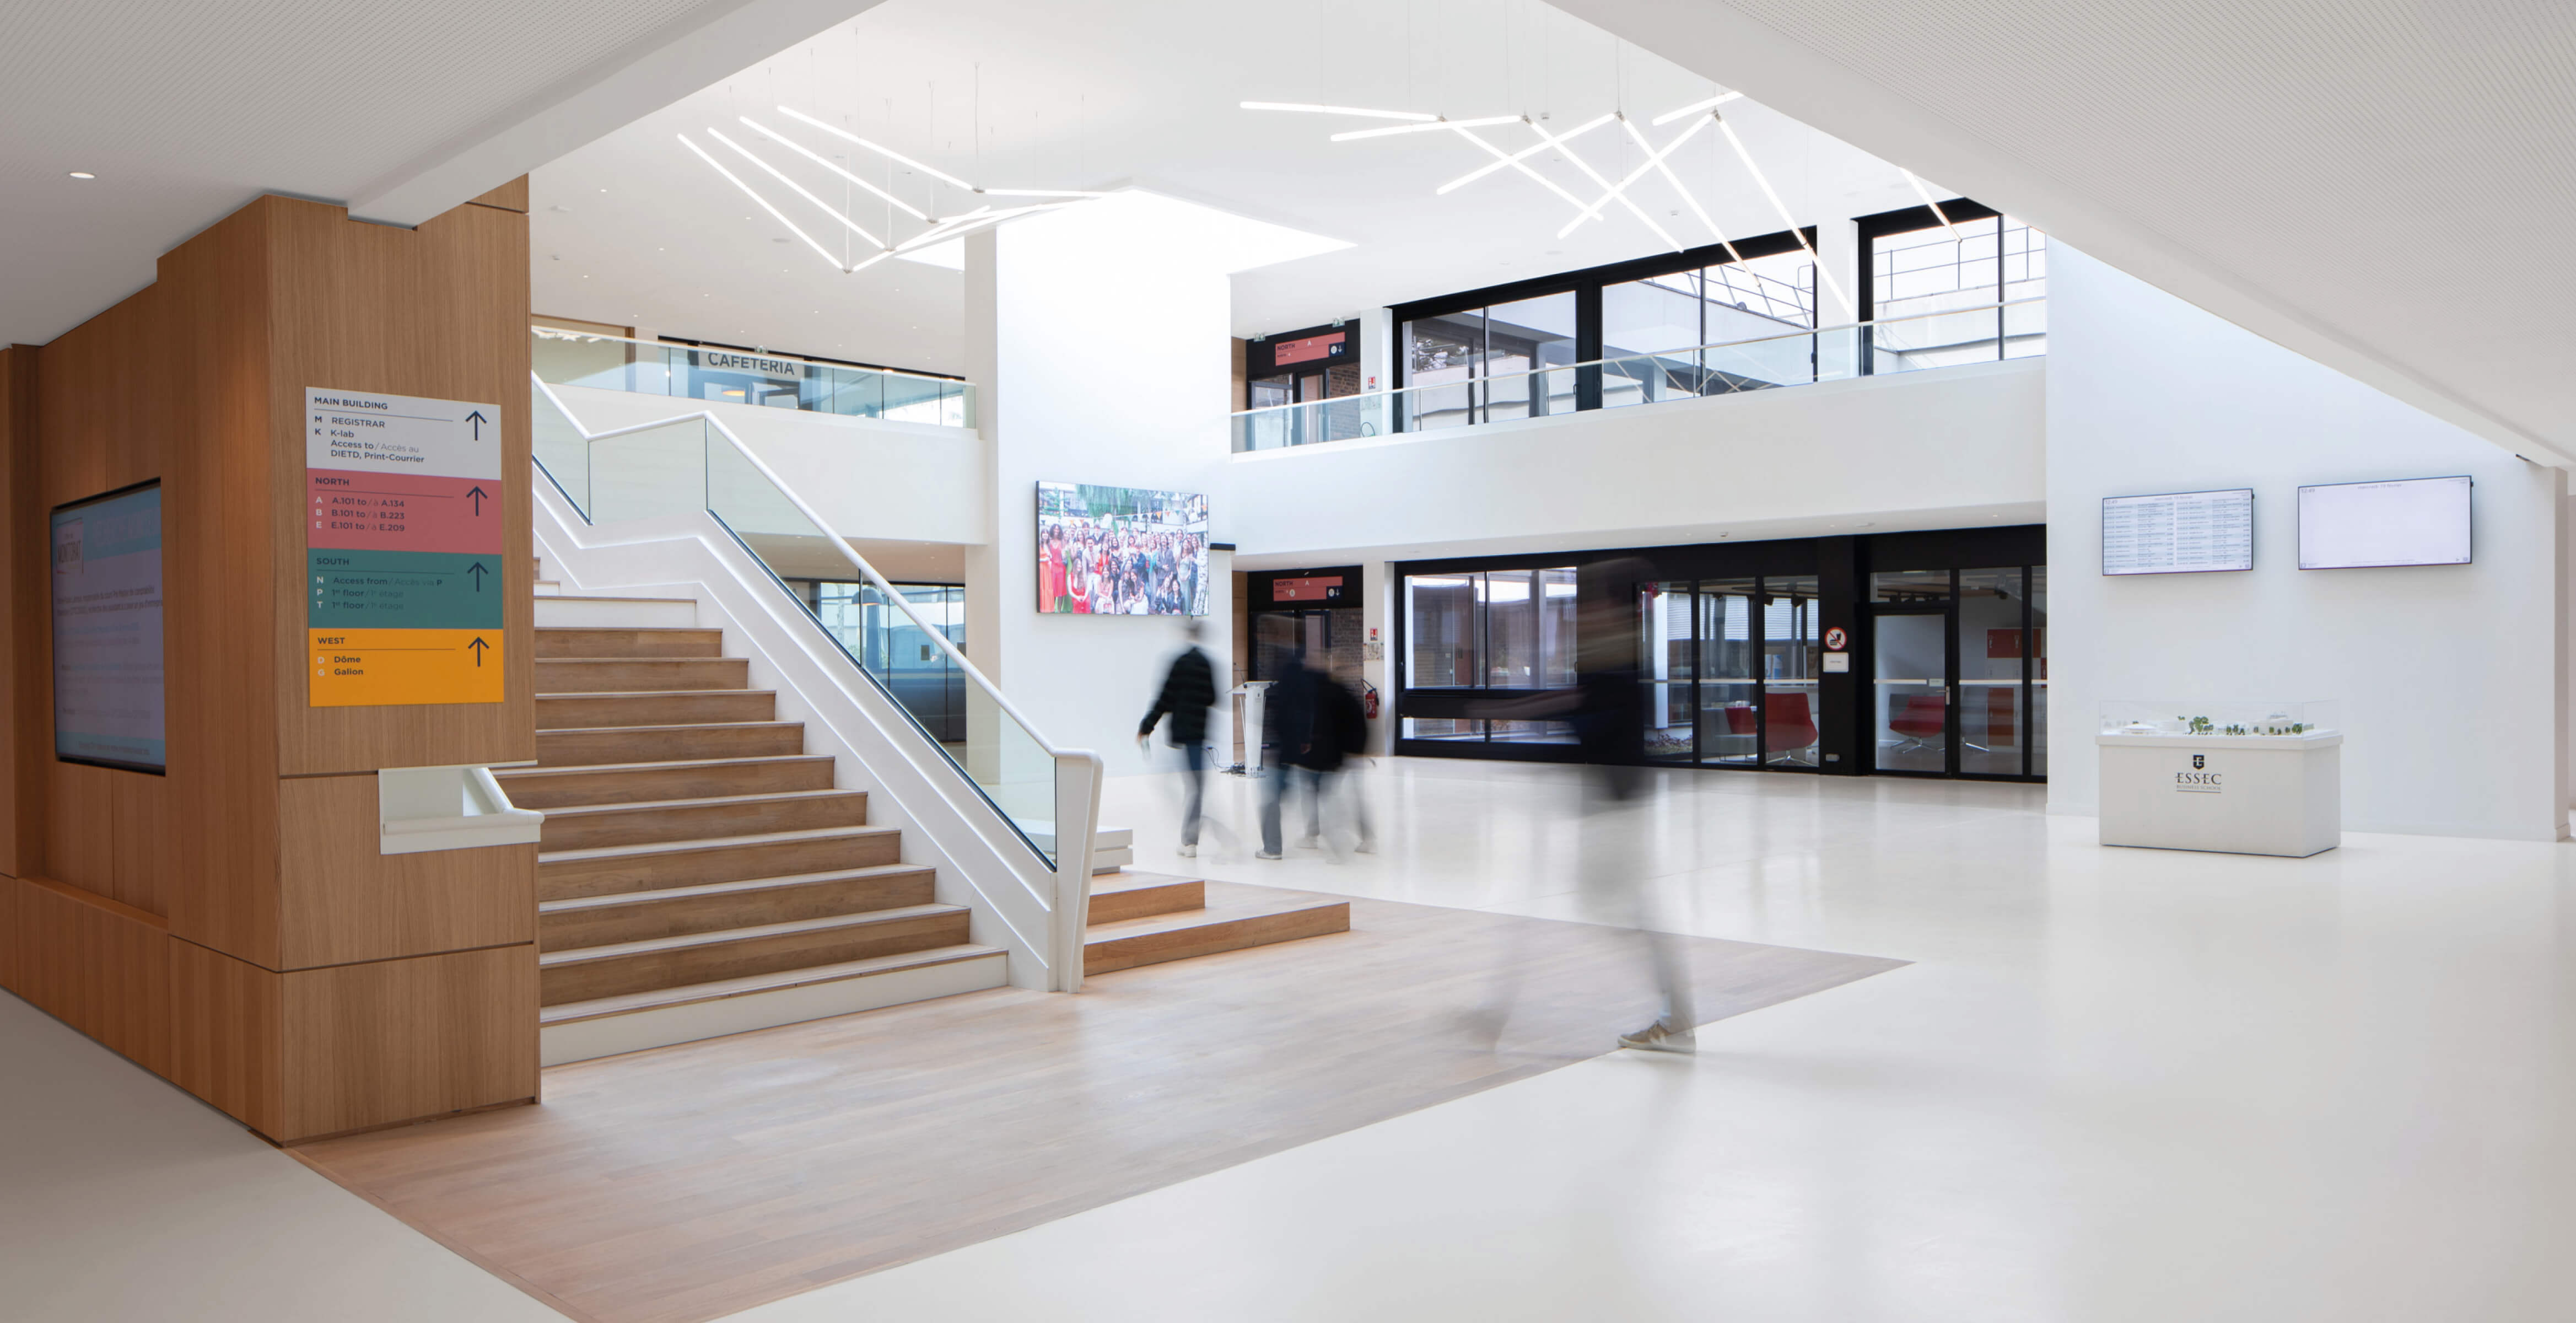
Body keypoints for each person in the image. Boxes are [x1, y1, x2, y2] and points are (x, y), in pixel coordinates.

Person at [1478, 557, 1696, 1055]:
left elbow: (1595, 716)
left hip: (1617, 803)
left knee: (1621, 905)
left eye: (1591, 604)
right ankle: (1675, 1008)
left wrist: (1542, 716)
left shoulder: (1618, 656)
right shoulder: (1611, 657)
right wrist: (1528, 711)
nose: (1584, 617)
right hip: (1607, 800)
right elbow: (1584, 703)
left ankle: (1675, 1010)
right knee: (1620, 904)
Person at [1138, 618, 1218, 857]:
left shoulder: (1179, 663)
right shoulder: (1206, 663)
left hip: (1180, 734)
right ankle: (1190, 840)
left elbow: (1165, 698)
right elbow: (1213, 697)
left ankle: (1189, 837)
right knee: (1196, 787)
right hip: (1198, 735)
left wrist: (1147, 726)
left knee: (1181, 785)